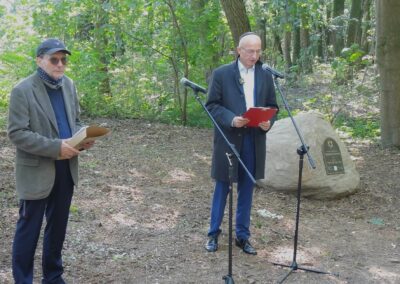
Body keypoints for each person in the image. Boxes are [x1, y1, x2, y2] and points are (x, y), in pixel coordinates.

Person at [7, 38, 94, 283]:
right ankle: (23, 279)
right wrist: (56, 148)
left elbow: (74, 121)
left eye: (63, 60)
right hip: (36, 170)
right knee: (29, 229)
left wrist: (83, 137)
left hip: (66, 167)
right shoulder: (22, 90)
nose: (60, 65)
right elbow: (17, 133)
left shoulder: (69, 85)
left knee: (57, 228)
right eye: (54, 59)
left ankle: (53, 276)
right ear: (39, 60)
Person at [204, 32, 278, 255]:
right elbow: (212, 105)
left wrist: (268, 122)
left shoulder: (265, 75)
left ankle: (242, 236)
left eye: (258, 51)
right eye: (249, 51)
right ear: (238, 50)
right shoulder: (222, 74)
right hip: (229, 138)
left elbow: (273, 106)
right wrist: (232, 119)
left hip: (254, 139)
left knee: (247, 187)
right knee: (222, 186)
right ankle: (213, 234)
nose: (254, 56)